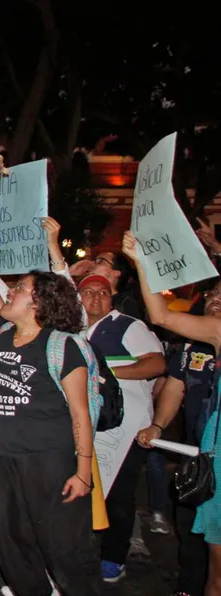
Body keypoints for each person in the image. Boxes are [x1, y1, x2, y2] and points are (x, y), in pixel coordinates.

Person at [0, 207, 103, 595]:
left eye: (20, 288)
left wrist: (83, 473)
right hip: (5, 459)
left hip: (51, 463)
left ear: (40, 302)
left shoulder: (62, 347)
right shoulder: (3, 332)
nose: (9, 290)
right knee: (11, 545)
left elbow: (81, 414)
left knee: (65, 549)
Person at [125, 231, 221, 596]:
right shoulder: (215, 333)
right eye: (212, 295)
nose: (215, 301)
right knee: (215, 572)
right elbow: (161, 315)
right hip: (215, 453)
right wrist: (143, 263)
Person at [77, 273, 165, 582]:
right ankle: (82, 552)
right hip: (85, 424)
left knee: (118, 495)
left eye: (103, 292)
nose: (96, 298)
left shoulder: (127, 325)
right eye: (88, 292)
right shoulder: (71, 327)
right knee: (83, 491)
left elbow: (156, 364)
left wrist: (103, 373)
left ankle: (114, 556)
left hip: (125, 427)